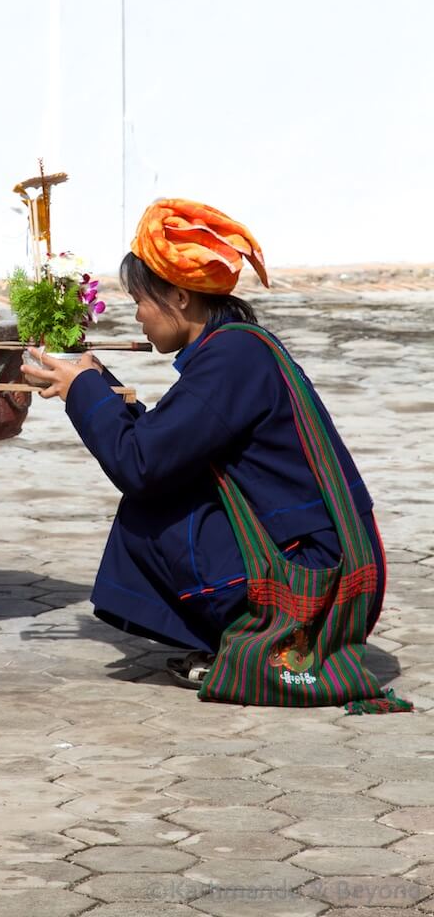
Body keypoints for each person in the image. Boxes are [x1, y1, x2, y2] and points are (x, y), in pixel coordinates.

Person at [20, 199, 388, 697]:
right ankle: (234, 633)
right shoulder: (236, 348)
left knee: (152, 511)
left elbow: (142, 464)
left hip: (320, 579)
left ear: (179, 297)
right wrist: (94, 383)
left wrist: (82, 392)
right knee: (165, 488)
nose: (138, 318)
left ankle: (254, 639)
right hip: (327, 560)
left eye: (140, 302)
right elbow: (170, 442)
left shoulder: (233, 358)